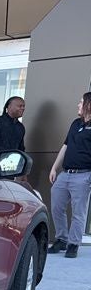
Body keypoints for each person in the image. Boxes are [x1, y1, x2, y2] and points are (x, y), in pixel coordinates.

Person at [48, 91, 91, 258]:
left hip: (84, 175)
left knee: (78, 212)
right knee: (57, 207)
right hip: (65, 174)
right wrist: (54, 168)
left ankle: (73, 244)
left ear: (89, 104)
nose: (78, 105)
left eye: (81, 102)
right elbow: (65, 146)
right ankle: (62, 239)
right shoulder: (75, 123)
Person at [0, 96, 26, 163]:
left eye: (23, 106)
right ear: (9, 107)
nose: (23, 108)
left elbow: (21, 148)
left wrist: (22, 163)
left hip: (13, 166)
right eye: (20, 106)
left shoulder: (20, 127)